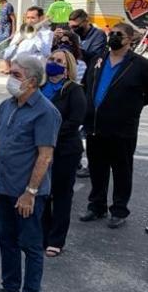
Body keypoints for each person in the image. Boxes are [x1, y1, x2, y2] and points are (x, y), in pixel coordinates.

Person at [0, 55, 61, 292]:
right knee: (6, 240)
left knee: (31, 245)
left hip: (26, 194)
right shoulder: (7, 106)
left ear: (33, 81)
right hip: (4, 187)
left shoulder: (46, 112)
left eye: (16, 75)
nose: (10, 79)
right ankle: (10, 288)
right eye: (11, 73)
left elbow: (45, 156)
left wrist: (30, 192)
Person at [79, 22, 148, 228]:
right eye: (112, 34)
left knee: (121, 170)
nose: (114, 37)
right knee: (97, 168)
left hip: (122, 128)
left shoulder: (139, 64)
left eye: (119, 35)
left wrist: (132, 107)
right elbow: (87, 85)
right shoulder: (98, 59)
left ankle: (119, 209)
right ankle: (96, 206)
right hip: (95, 125)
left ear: (130, 39)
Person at [40, 49, 87, 256]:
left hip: (64, 150)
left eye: (59, 61)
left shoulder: (74, 90)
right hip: (40, 149)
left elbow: (75, 121)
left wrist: (49, 136)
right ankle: (42, 235)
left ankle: (56, 239)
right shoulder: (40, 86)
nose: (53, 63)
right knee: (42, 192)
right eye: (51, 59)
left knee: (61, 194)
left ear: (68, 68)